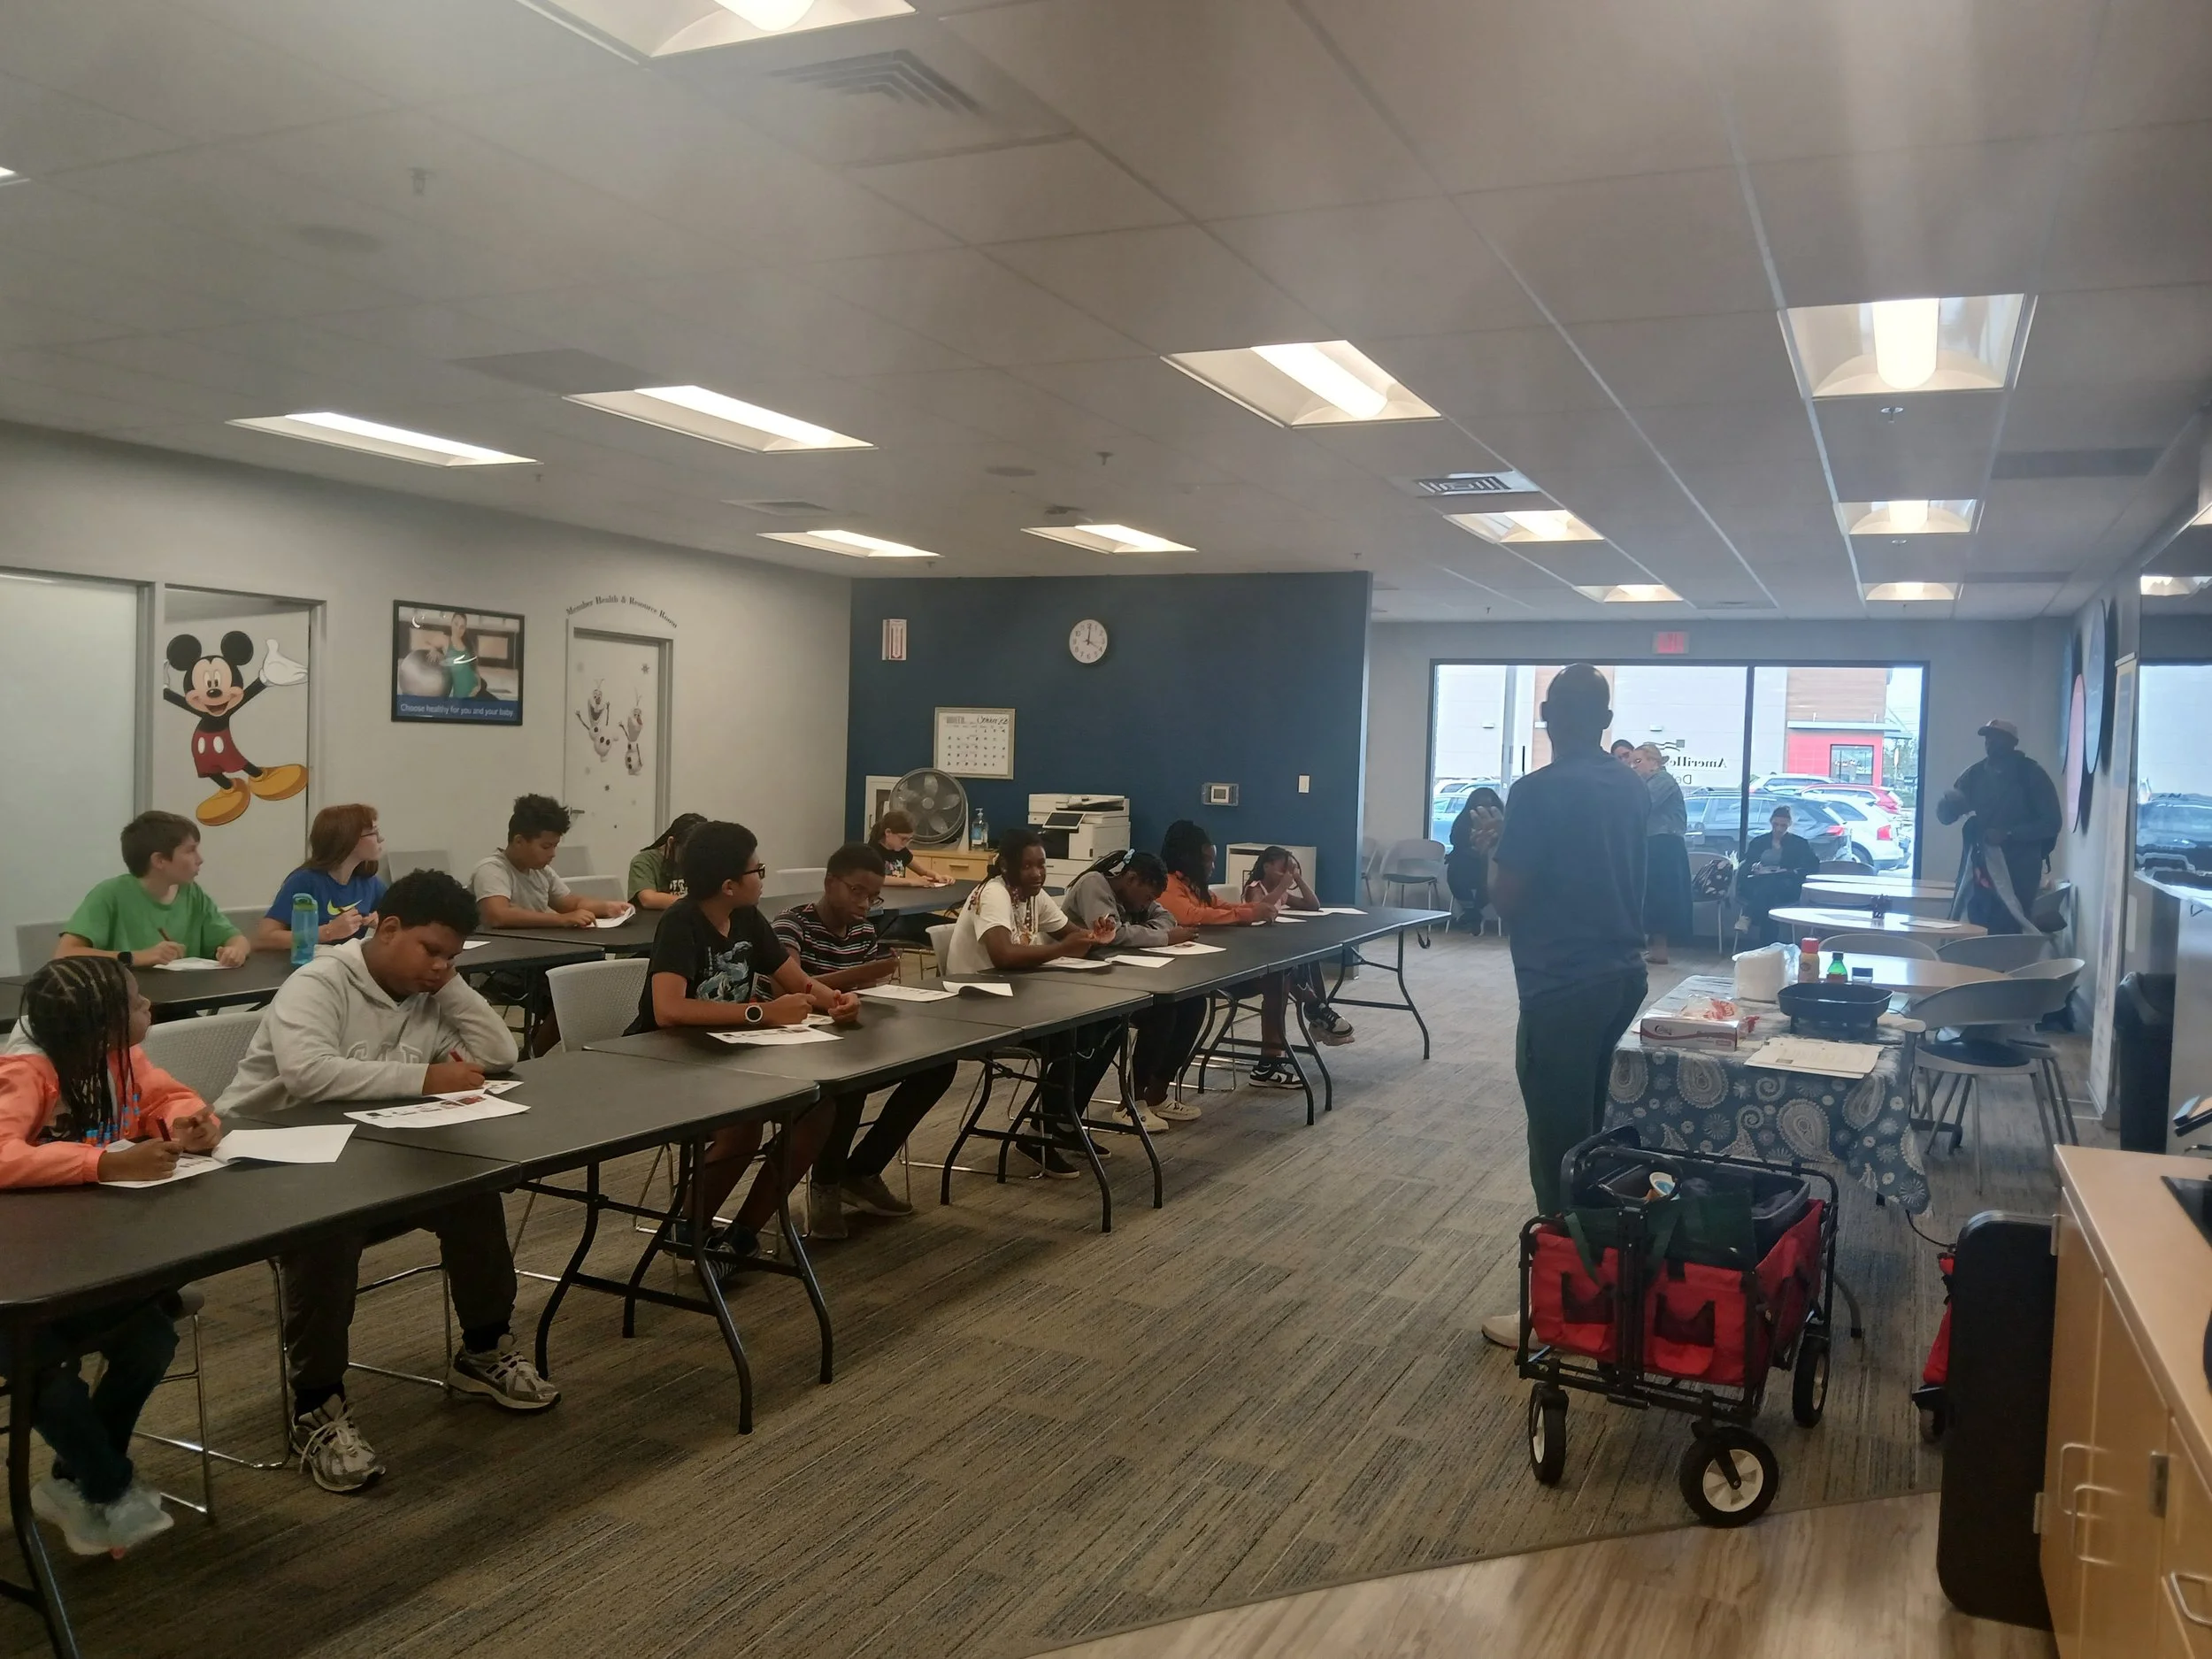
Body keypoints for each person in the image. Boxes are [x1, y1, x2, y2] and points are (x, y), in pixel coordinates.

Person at [212, 871, 557, 1494]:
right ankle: (317, 1404)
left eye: (453, 957)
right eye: (431, 950)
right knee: (328, 1225)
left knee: (472, 1189)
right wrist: (429, 1078)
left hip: (371, 1152)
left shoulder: (432, 991)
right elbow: (310, 1075)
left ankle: (482, 1349)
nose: (440, 966)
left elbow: (498, 1052)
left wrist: (449, 985)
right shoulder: (318, 982)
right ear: (388, 928)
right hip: (270, 1164)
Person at [0, 957, 226, 1556]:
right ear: (98, 1030)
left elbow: (170, 1097)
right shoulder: (25, 1072)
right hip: (16, 1277)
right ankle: (110, 1485)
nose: (148, 1004)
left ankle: (75, 1482)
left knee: (150, 1339)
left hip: (83, 1258)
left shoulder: (124, 1058)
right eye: (134, 1000)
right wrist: (102, 1162)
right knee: (45, 1370)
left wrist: (188, 1121)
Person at [1467, 664, 1649, 1348]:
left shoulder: (1536, 790)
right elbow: (1587, 863)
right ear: (1604, 722)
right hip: (1620, 979)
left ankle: (1563, 1309)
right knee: (1598, 1139)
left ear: (1547, 716)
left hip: (1561, 986)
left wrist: (1496, 852)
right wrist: (1510, 843)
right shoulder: (1629, 784)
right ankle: (1609, 1286)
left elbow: (1507, 896)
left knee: (1556, 1152)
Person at [626, 821, 856, 1263]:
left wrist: (836, 1001)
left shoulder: (748, 918)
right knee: (744, 1122)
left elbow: (796, 980)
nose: (763, 877)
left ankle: (744, 1233)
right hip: (665, 1062)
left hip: (727, 1057)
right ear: (729, 885)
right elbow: (668, 1010)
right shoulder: (681, 922)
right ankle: (688, 1228)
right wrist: (762, 1013)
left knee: (817, 1108)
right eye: (758, 870)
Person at [771, 844, 954, 1239]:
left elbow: (868, 992)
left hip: (851, 1035)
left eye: (873, 897)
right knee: (849, 1082)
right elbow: (785, 983)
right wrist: (854, 979)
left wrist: (865, 981)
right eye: (857, 892)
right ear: (830, 883)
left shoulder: (864, 930)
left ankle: (862, 1170)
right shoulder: (792, 925)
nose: (865, 903)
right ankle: (825, 1186)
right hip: (796, 1044)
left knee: (939, 1065)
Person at [944, 826, 1119, 1176]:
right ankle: (1038, 1133)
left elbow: (1070, 935)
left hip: (1016, 998)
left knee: (1110, 1024)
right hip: (977, 1006)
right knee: (1075, 1036)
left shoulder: (1034, 895)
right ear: (1006, 866)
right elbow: (1004, 956)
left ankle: (1062, 1122)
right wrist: (1063, 949)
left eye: (1042, 865)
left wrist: (1095, 936)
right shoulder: (995, 894)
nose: (1037, 873)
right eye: (1028, 866)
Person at [1157, 820, 1301, 1090]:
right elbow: (1190, 916)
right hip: (1186, 973)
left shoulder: (1196, 886)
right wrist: (1249, 912)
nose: (1212, 866)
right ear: (1189, 858)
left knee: (1278, 977)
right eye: (1207, 860)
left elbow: (1224, 906)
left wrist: (1255, 909)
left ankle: (1269, 1062)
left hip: (1213, 964)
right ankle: (1315, 1008)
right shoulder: (1167, 884)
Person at [1065, 850, 1202, 1124]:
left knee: (1192, 1003)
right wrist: (1162, 937)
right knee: (1160, 1011)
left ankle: (1157, 1094)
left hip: (1119, 976)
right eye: (1147, 897)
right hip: (1078, 982)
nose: (1148, 904)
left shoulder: (1134, 897)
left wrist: (1146, 931)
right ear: (1131, 879)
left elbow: (1167, 918)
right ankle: (1131, 1101)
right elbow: (1112, 935)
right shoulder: (1094, 884)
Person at [56, 810, 250, 969]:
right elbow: (64, 954)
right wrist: (136, 957)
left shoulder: (193, 893)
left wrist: (235, 951)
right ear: (160, 860)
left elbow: (236, 939)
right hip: (127, 1006)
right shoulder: (110, 894)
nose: (200, 859)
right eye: (190, 850)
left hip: (179, 1003)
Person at [1937, 718, 2062, 933]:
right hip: (1980, 866)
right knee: (1976, 926)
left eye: (1998, 738)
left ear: (2013, 742)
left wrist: (2010, 834)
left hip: (2020, 868)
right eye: (1988, 738)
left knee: (2012, 925)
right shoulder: (1973, 775)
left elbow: (2052, 823)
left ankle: (2010, 966)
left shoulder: (2032, 775)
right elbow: (1945, 818)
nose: (1991, 742)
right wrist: (1949, 805)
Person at [1242, 847, 1355, 1046]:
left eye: (1290, 870)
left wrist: (1298, 879)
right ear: (1267, 867)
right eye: (1283, 869)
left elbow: (1313, 905)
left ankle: (1318, 1015)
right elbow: (1258, 909)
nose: (1287, 875)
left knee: (1309, 961)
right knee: (1288, 970)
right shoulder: (1255, 888)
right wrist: (1283, 885)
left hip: (1278, 946)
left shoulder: (1283, 894)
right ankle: (1316, 1009)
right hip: (1257, 952)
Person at [470, 794, 629, 931]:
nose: (552, 854)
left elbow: (571, 903)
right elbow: (498, 916)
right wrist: (562, 919)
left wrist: (608, 907)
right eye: (546, 847)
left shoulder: (541, 871)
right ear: (519, 841)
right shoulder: (491, 870)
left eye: (555, 846)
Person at [256, 802, 387, 952]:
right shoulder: (304, 881)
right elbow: (264, 938)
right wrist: (328, 932)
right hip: (307, 969)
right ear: (349, 840)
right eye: (373, 833)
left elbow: (400, 918)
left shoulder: (369, 882)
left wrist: (382, 920)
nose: (381, 838)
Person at [1630, 745, 1692, 965]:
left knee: (1660, 897)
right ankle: (1656, 948)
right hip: (1654, 844)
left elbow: (1642, 804)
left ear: (1655, 762)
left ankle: (1660, 948)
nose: (1633, 766)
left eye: (1638, 761)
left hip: (1664, 845)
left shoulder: (1662, 781)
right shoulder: (1647, 783)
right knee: (1653, 897)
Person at [1738, 805, 1817, 946]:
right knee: (1769, 894)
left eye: (1783, 825)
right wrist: (1754, 868)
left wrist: (1790, 871)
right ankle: (1770, 947)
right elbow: (1747, 863)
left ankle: (1748, 916)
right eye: (1776, 824)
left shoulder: (1799, 843)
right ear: (1771, 822)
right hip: (1758, 883)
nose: (1779, 829)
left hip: (1787, 885)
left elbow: (1812, 865)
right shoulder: (1759, 841)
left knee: (1771, 886)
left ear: (1789, 825)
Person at [627, 811, 707, 911]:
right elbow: (648, 899)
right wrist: (699, 904)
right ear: (671, 843)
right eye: (688, 851)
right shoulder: (645, 861)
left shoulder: (702, 861)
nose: (694, 858)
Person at [1447, 787, 1504, 925]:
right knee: (1456, 866)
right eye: (1481, 805)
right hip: (1465, 864)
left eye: (1489, 805)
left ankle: (1474, 912)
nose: (1485, 808)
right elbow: (1456, 840)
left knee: (1491, 872)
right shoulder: (1463, 820)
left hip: (1489, 864)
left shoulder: (1501, 821)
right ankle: (1472, 911)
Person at [869, 810, 953, 888]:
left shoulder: (901, 851)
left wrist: (937, 877)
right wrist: (911, 882)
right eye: (903, 839)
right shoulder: (871, 851)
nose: (905, 844)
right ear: (888, 832)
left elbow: (924, 872)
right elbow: (876, 878)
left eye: (909, 839)